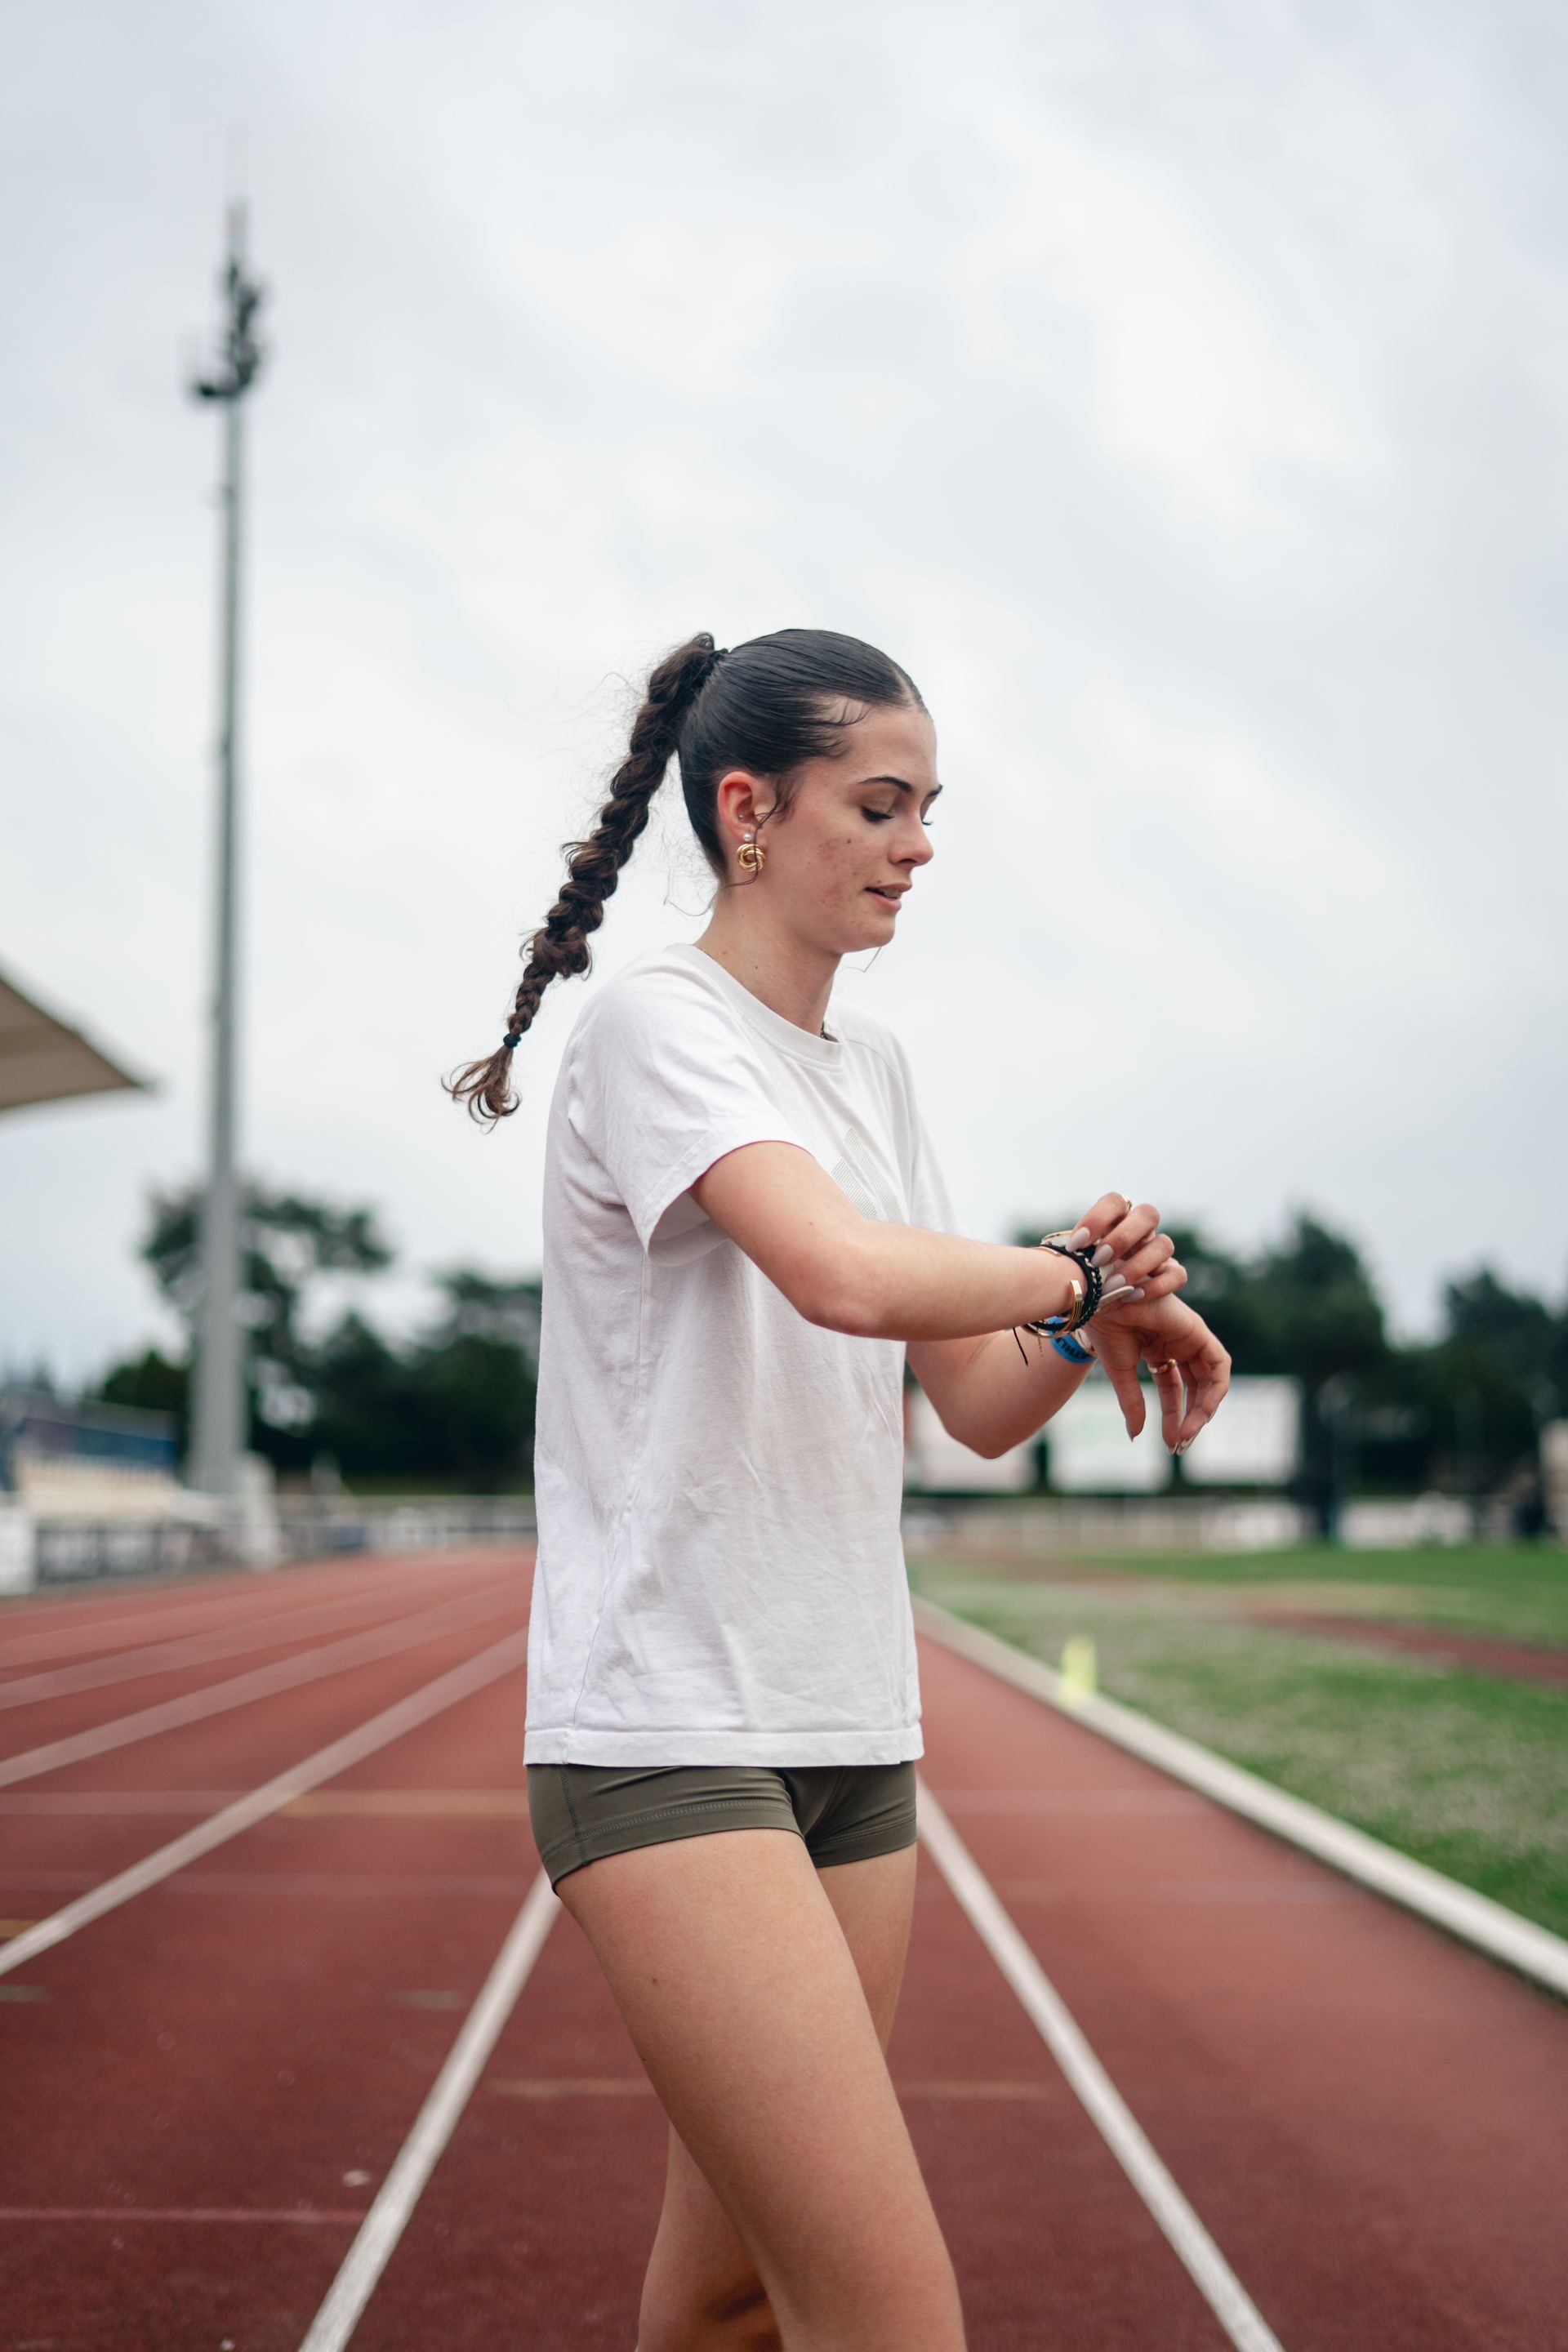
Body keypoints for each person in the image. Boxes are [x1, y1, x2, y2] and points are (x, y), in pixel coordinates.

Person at [449, 629, 1231, 2352]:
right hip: (669, 1732)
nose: (919, 846)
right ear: (750, 808)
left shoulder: (872, 1070)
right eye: (881, 807)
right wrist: (1074, 1284)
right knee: (890, 2314)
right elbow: (846, 1278)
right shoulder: (660, 1022)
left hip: (849, 1727)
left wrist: (1086, 1302)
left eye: (928, 810)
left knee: (732, 2301)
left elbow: (966, 1402)